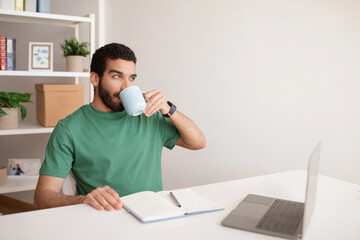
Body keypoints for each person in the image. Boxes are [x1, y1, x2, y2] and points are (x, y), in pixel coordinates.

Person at [34, 43, 206, 211]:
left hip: (152, 216)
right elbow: (42, 198)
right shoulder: (69, 128)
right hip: (104, 219)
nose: (126, 86)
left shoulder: (149, 115)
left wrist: (169, 110)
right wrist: (84, 199)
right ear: (95, 79)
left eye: (131, 78)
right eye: (117, 76)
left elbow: (198, 143)